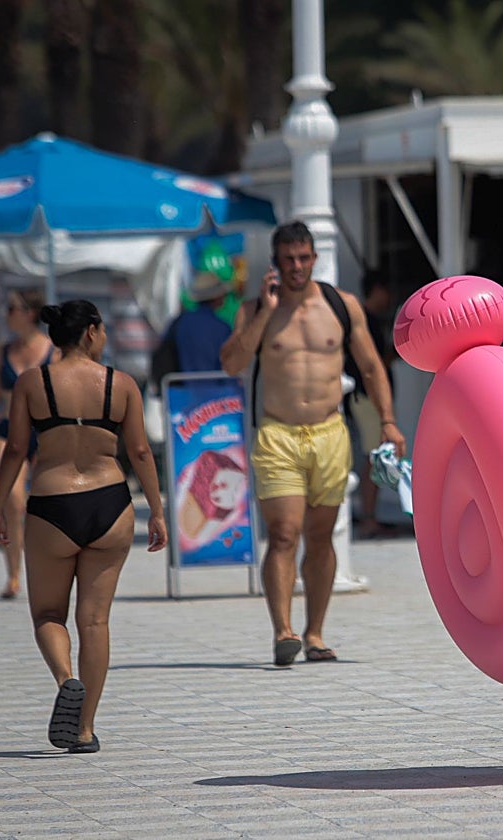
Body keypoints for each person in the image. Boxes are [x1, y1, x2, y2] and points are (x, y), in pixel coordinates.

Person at [220, 221, 405, 666]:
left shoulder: (341, 306)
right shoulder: (255, 309)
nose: (297, 267)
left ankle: (315, 633)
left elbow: (372, 366)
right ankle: (282, 631)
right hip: (278, 433)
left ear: (314, 258)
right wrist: (265, 312)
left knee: (320, 538)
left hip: (329, 432)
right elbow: (231, 363)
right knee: (283, 534)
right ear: (276, 262)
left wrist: (388, 422)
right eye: (288, 260)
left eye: (304, 258)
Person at [0, 300, 168, 753]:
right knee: (95, 620)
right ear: (91, 331)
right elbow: (141, 452)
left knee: (49, 614)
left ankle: (67, 679)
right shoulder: (121, 384)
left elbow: (15, 450)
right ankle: (85, 729)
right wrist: (159, 512)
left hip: (52, 504)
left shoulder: (33, 382)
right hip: (110, 503)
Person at [0, 289, 55, 600]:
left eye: (12, 308)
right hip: (8, 431)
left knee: (46, 503)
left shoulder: (52, 350)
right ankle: (14, 574)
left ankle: (44, 570)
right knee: (13, 501)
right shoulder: (2, 353)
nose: (7, 314)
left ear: (30, 313)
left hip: (44, 430)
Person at [345, 270, 399, 539]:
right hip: (367, 399)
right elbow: (372, 366)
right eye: (387, 291)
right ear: (376, 289)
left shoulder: (365, 319)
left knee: (374, 457)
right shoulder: (365, 320)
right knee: (374, 458)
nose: (390, 298)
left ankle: (369, 515)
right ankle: (368, 517)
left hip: (363, 398)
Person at [151, 271, 233, 383]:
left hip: (182, 394)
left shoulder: (179, 323)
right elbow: (230, 364)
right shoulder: (222, 327)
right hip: (216, 395)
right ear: (217, 296)